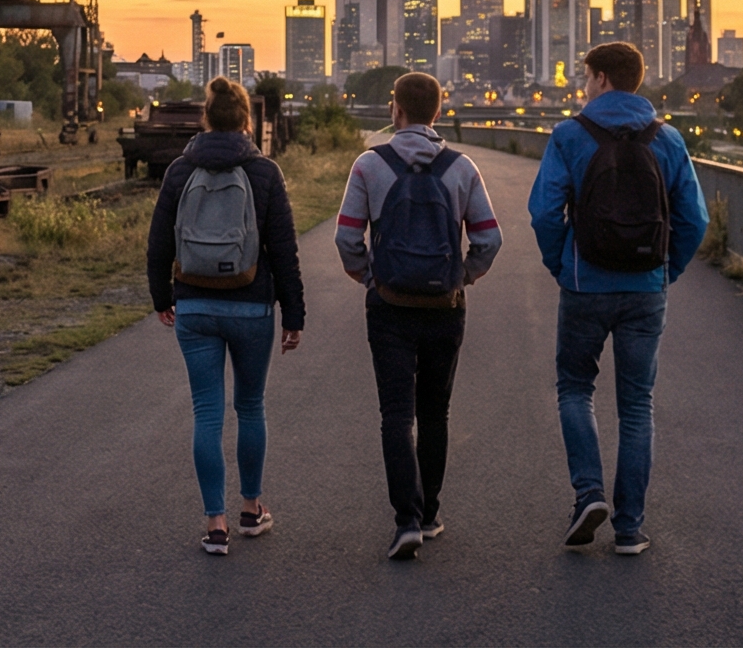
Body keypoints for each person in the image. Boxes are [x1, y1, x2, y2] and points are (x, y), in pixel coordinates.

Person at [529, 40, 708, 556]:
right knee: (636, 405)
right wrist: (664, 271)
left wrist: (561, 264)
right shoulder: (668, 139)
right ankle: (629, 527)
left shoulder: (569, 135)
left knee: (573, 389)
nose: (584, 86)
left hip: (585, 284)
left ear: (603, 79)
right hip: (646, 289)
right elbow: (695, 219)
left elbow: (543, 213)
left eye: (586, 77)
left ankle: (588, 493)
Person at [333, 71, 503, 561]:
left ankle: (404, 520)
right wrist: (462, 277)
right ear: (438, 111)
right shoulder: (462, 168)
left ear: (395, 110)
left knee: (395, 414)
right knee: (434, 412)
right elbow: (490, 239)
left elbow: (347, 239)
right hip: (444, 308)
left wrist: (371, 278)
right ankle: (429, 514)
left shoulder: (370, 164)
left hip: (389, 306)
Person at [146, 77, 305, 556]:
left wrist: (162, 298)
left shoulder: (179, 171)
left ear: (206, 118)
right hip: (252, 303)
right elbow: (284, 251)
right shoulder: (265, 172)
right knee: (250, 406)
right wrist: (293, 314)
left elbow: (158, 244)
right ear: (247, 121)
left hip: (194, 305)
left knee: (207, 411)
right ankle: (252, 510)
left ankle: (215, 524)